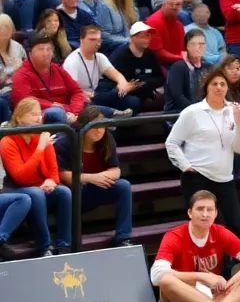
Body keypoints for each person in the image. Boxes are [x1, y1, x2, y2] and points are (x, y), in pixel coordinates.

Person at [150, 190, 240, 302]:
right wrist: (202, 276)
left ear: (215, 213)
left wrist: (232, 282)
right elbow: (156, 275)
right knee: (166, 280)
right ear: (190, 213)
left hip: (211, 299)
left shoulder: (221, 233)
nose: (205, 214)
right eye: (200, 209)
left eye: (209, 210)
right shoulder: (174, 236)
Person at [165, 67, 240, 237]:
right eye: (214, 84)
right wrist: (185, 166)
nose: (219, 87)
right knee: (210, 230)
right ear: (206, 87)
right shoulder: (192, 112)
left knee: (235, 228)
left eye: (223, 84)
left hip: (225, 178)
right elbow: (172, 143)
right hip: (198, 178)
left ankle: (233, 263)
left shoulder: (234, 112)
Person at [0, 98, 72, 255]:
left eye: (40, 114)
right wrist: (40, 147)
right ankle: (45, 246)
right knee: (35, 193)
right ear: (19, 117)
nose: (39, 118)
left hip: (42, 186)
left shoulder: (42, 135)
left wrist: (52, 180)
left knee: (64, 192)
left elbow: (54, 170)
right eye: (33, 114)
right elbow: (21, 177)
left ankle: (64, 244)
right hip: (17, 189)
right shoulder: (8, 141)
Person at [57, 105, 135, 246]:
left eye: (102, 127)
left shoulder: (107, 140)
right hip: (72, 194)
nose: (99, 131)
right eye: (94, 127)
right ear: (83, 127)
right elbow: (62, 175)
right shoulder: (66, 142)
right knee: (66, 192)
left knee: (123, 186)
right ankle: (65, 244)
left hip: (93, 189)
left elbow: (116, 171)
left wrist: (99, 177)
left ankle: (123, 237)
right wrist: (92, 178)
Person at [63, 25, 141, 116]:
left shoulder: (100, 57)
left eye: (99, 40)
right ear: (81, 40)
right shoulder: (72, 61)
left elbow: (115, 74)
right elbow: (71, 89)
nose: (97, 43)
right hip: (81, 98)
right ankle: (115, 114)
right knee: (112, 94)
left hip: (96, 95)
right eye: (92, 40)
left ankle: (122, 126)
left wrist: (123, 84)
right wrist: (86, 94)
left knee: (133, 101)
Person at [12, 33, 88, 124]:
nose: (45, 53)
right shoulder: (21, 75)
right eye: (41, 49)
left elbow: (77, 91)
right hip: (39, 115)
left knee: (101, 111)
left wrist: (75, 112)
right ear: (30, 53)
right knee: (56, 112)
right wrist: (52, 106)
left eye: (49, 49)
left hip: (68, 112)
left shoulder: (58, 69)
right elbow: (24, 100)